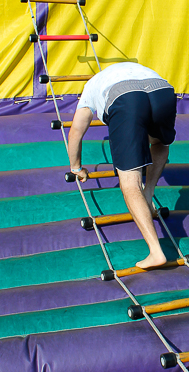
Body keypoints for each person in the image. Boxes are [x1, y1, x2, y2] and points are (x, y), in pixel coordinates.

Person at [67, 62, 177, 270]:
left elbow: (75, 132)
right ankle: (149, 192)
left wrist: (76, 167)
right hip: (162, 89)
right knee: (160, 142)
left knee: (129, 183)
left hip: (124, 97)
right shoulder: (135, 68)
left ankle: (155, 252)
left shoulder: (92, 86)